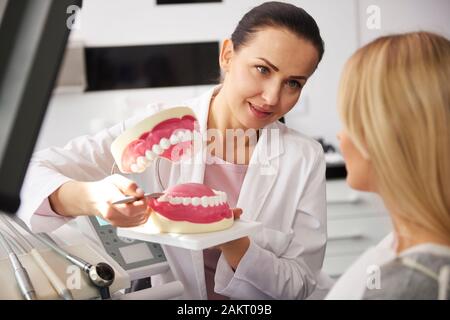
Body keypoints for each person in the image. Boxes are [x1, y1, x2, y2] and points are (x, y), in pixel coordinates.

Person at [18, 1, 329, 299]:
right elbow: (29, 170)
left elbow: (300, 282)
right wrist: (93, 199)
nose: (273, 97)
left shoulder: (304, 158)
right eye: (262, 70)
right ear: (227, 55)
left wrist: (235, 243)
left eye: (293, 83)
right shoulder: (158, 126)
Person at [326, 32, 450, 299]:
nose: (340, 136)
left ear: (383, 136)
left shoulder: (410, 286)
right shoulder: (404, 244)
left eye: (347, 122)